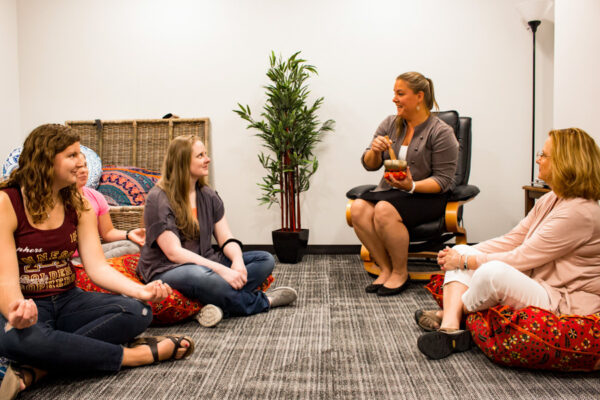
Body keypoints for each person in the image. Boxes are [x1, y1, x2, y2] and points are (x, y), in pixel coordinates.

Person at [0, 124, 194, 400]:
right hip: (28, 305)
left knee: (138, 312)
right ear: (45, 160)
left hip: (68, 300)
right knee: (14, 338)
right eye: (71, 154)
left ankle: (39, 368)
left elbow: (97, 267)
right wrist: (15, 312)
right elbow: (5, 279)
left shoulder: (80, 203)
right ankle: (131, 355)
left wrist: (141, 291)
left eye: (80, 153)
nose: (81, 162)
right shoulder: (7, 203)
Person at [416, 127, 600, 360]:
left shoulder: (580, 212)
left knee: (491, 273)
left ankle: (450, 314)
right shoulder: (551, 198)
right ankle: (452, 328)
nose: (538, 160)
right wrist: (462, 254)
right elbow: (513, 239)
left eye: (544, 155)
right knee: (461, 248)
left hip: (561, 299)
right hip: (539, 282)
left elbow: (522, 257)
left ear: (565, 162)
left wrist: (465, 261)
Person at [137, 135, 298, 327]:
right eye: (200, 155)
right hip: (168, 269)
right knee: (198, 276)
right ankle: (263, 301)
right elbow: (174, 253)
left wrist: (237, 263)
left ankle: (210, 303)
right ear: (182, 161)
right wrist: (223, 271)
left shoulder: (208, 195)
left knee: (265, 260)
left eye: (206, 154)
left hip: (206, 262)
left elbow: (226, 238)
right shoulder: (158, 199)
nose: (208, 159)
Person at [350, 72, 459, 296]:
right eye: (394, 93)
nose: (394, 99)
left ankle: (400, 273)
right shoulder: (390, 123)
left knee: (383, 209)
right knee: (358, 208)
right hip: (392, 192)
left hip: (427, 196)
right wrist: (374, 150)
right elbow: (369, 165)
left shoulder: (441, 132)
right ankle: (386, 269)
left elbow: (443, 181)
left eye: (400, 94)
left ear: (419, 96)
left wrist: (411, 186)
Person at [71, 153, 144, 264]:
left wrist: (129, 234)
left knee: (132, 246)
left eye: (85, 166)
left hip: (91, 254)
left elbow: (107, 233)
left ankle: (91, 266)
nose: (83, 171)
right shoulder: (57, 199)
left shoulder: (96, 196)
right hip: (68, 258)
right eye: (77, 168)